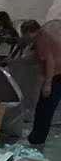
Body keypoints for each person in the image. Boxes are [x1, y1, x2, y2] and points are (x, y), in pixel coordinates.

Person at [21, 18, 61, 146]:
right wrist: (13, 61)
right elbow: (36, 58)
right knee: (43, 107)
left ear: (29, 32)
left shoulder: (41, 38)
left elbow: (50, 61)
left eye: (24, 34)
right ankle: (36, 137)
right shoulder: (45, 35)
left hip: (56, 76)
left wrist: (48, 83)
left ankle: (37, 139)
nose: (24, 38)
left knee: (44, 109)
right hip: (57, 74)